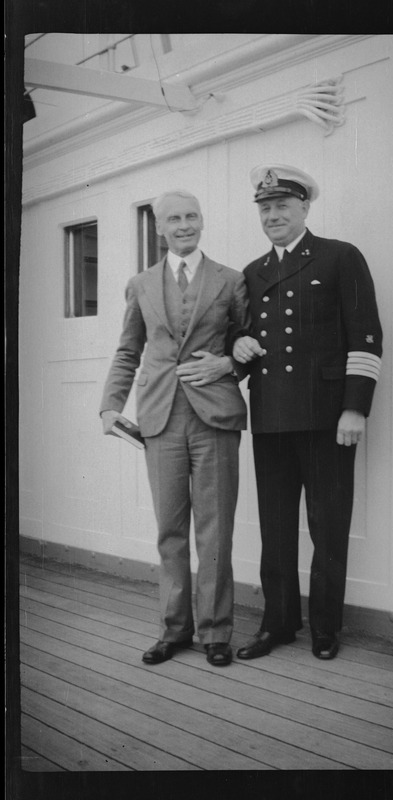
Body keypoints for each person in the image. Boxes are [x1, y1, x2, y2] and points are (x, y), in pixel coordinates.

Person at [232, 164, 382, 661]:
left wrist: (355, 408)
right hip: (271, 416)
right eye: (266, 208)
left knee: (328, 525)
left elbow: (366, 336)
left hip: (325, 418)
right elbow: (239, 334)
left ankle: (325, 627)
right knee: (274, 528)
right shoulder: (253, 272)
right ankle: (277, 625)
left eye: (283, 206)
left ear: (304, 208)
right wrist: (240, 342)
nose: (273, 215)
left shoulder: (340, 257)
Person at [100, 190, 249, 667]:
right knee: (170, 530)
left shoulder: (231, 280)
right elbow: (128, 350)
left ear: (202, 221)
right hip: (160, 419)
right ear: (159, 228)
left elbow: (246, 346)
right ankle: (174, 630)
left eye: (191, 216)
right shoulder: (140, 284)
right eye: (173, 219)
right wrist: (110, 406)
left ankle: (215, 633)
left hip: (216, 419)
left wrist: (227, 365)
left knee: (216, 529)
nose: (184, 225)